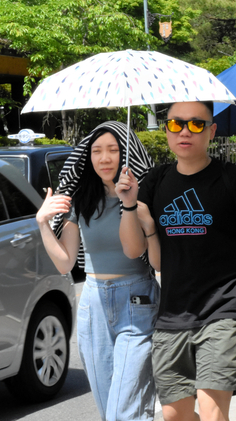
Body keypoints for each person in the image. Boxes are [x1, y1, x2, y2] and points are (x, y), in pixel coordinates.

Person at [116, 101, 236, 421]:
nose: (184, 131)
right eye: (175, 124)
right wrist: (129, 206)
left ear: (211, 130)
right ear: (165, 128)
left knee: (212, 411)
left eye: (195, 124)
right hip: (172, 314)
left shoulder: (234, 180)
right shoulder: (155, 182)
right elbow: (134, 250)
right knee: (174, 415)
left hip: (223, 310)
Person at [36, 121, 157, 421]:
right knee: (108, 413)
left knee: (125, 411)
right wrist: (42, 224)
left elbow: (134, 251)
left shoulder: (143, 196)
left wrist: (128, 203)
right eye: (96, 151)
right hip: (94, 303)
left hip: (136, 302)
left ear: (127, 154)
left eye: (113, 150)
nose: (104, 158)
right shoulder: (82, 199)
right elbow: (65, 262)